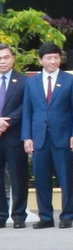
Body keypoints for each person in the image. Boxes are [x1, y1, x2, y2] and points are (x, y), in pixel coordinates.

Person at [21, 42, 73, 229]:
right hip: (39, 138)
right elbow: (27, 112)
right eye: (48, 58)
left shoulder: (70, 80)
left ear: (60, 59)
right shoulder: (31, 82)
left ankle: (67, 216)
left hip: (63, 137)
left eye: (56, 57)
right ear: (41, 60)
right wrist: (27, 137)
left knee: (66, 179)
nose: (52, 61)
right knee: (41, 180)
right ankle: (46, 217)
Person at [0, 43, 29, 229]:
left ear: (13, 59)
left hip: (14, 136)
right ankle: (1, 215)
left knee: (18, 177)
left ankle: (18, 216)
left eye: (6, 57)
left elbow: (26, 106)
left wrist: (6, 122)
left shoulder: (24, 81)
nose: (2, 61)